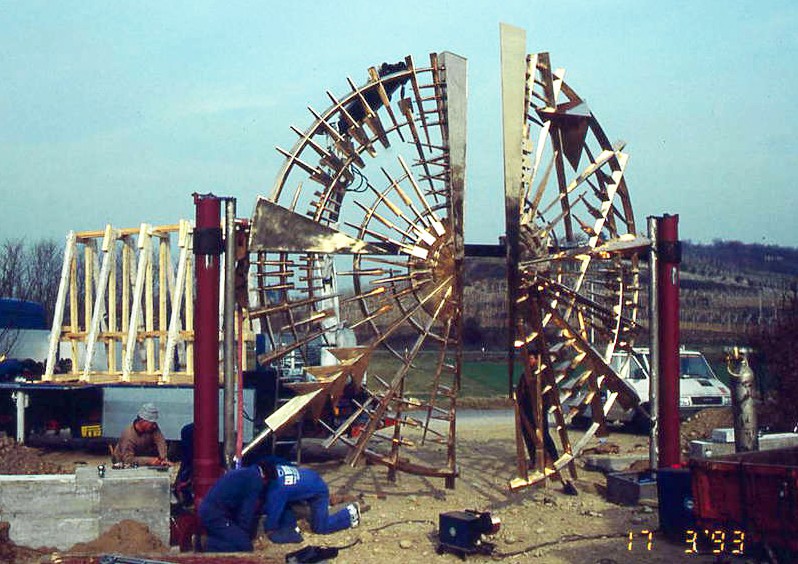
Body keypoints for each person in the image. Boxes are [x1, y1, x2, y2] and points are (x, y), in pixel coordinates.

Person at [263, 462, 360, 544]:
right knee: (286, 505)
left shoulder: (278, 488)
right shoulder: (273, 470)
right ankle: (292, 527)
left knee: (320, 528)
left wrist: (269, 530)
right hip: (308, 478)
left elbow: (273, 517)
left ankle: (350, 513)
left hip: (318, 493)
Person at [198, 462, 270, 552]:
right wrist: (244, 536)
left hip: (209, 510)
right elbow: (246, 512)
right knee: (245, 546)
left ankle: (209, 541)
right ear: (265, 479)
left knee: (234, 537)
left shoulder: (245, 472)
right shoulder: (256, 480)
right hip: (215, 515)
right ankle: (205, 543)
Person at [112, 402, 170, 467]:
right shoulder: (128, 435)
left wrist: (163, 459)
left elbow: (160, 442)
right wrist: (150, 461)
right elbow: (127, 460)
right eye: (151, 423)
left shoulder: (153, 427)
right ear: (142, 421)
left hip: (140, 456)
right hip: (123, 462)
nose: (154, 426)